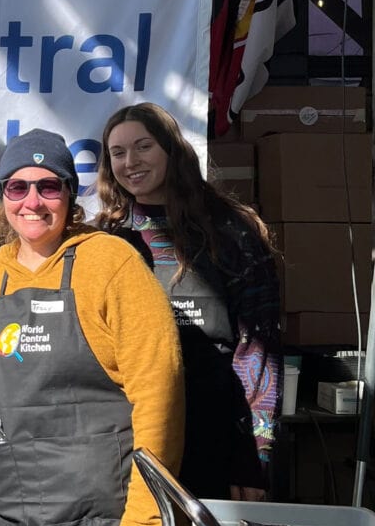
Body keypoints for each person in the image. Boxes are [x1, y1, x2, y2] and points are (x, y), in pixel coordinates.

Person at [0, 128, 185, 526]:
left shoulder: (112, 264)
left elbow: (158, 388)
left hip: (100, 524)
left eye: (48, 187)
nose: (32, 201)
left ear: (69, 194)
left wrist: (148, 512)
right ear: (2, 196)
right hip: (8, 518)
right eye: (17, 187)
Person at [96, 102, 281, 501]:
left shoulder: (230, 231)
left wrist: (253, 459)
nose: (131, 162)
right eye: (118, 152)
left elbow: (258, 353)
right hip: (126, 440)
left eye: (143, 147)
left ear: (171, 149)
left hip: (213, 434)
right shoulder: (104, 239)